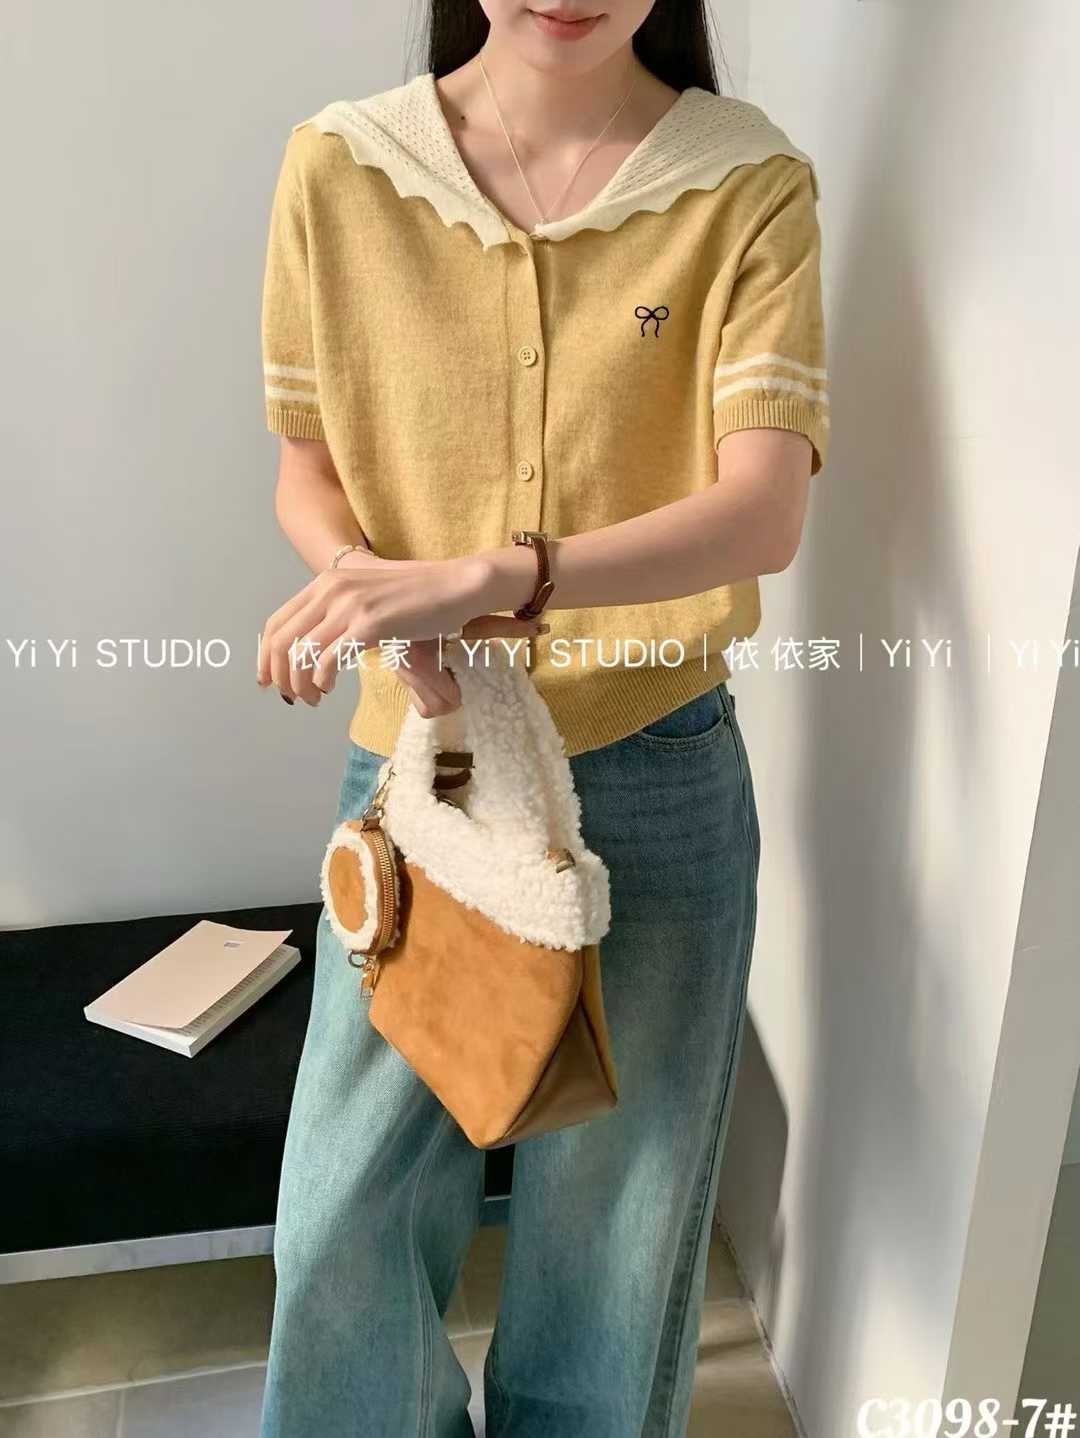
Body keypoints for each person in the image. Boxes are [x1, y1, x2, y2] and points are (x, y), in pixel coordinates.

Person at [256, 2, 829, 1433]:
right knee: (336, 1222)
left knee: (616, 1241)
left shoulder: (746, 181)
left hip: (658, 769)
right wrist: (371, 588)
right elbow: (305, 465)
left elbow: (763, 511)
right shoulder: (341, 165)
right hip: (419, 773)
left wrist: (494, 577)